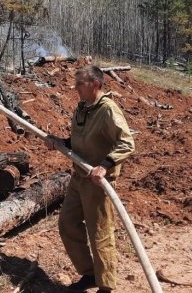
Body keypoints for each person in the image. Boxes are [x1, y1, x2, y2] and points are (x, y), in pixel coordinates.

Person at [46, 65, 135, 293]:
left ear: (95, 84)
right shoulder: (83, 107)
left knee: (100, 234)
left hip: (98, 184)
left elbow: (127, 143)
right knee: (67, 223)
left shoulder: (108, 110)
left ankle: (106, 286)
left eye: (80, 84)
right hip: (79, 178)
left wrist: (104, 166)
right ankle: (89, 274)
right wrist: (61, 142)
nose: (75, 88)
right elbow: (80, 139)